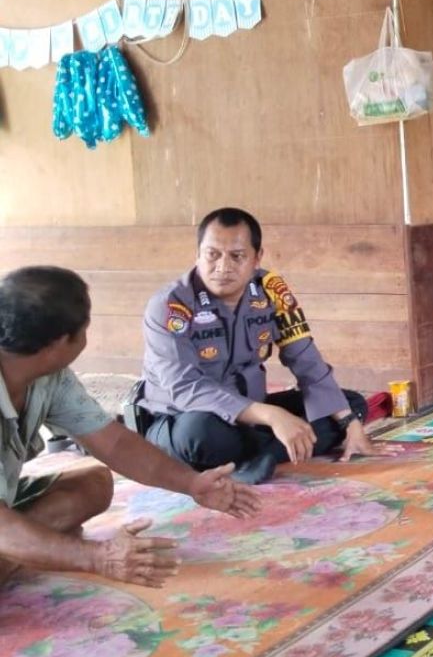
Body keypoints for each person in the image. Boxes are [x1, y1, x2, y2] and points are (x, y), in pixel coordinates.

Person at [0, 266, 260, 589]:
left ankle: (17, 552)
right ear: (58, 343)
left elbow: (114, 444)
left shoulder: (49, 376)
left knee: (92, 482)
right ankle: (20, 550)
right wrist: (97, 557)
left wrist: (192, 483)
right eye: (84, 328)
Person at [138, 207, 371, 484]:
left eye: (236, 256)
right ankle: (271, 448)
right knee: (200, 434)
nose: (223, 267)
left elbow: (305, 357)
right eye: (212, 254)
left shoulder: (270, 290)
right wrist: (271, 416)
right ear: (198, 254)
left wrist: (348, 422)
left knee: (350, 403)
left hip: (250, 413)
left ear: (257, 258)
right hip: (183, 418)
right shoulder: (171, 305)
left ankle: (259, 456)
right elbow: (186, 388)